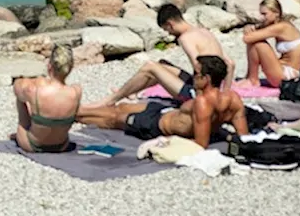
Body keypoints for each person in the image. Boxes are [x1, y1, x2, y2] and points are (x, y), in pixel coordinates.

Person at [76, 56, 248, 148]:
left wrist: (164, 144)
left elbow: (200, 143)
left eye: (196, 73)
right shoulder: (233, 99)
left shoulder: (203, 103)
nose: (193, 77)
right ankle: (71, 110)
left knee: (112, 118)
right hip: (163, 112)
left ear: (207, 78)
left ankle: (70, 114)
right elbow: (244, 136)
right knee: (121, 107)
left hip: (155, 126)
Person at [84, 3, 232, 108]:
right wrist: (224, 93)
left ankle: (110, 100)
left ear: (170, 24)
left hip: (197, 94)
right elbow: (230, 63)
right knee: (162, 65)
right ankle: (132, 93)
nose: (168, 34)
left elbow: (198, 66)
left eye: (166, 30)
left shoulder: (185, 38)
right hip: (213, 89)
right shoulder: (203, 31)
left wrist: (200, 97)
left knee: (150, 67)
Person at [11, 44, 81, 152]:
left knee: (23, 100)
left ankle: (27, 129)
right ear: (70, 68)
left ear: (49, 66)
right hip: (62, 146)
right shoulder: (76, 91)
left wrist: (34, 80)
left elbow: (17, 87)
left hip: (31, 145)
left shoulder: (35, 89)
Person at [237, 0, 300, 87]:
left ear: (276, 13)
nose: (261, 17)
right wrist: (249, 27)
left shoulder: (282, 27)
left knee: (259, 44)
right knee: (255, 40)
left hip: (288, 77)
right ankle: (250, 78)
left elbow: (247, 39)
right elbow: (251, 31)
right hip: (285, 70)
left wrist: (250, 31)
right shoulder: (278, 24)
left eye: (264, 14)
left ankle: (252, 79)